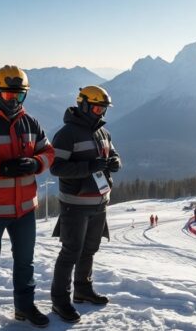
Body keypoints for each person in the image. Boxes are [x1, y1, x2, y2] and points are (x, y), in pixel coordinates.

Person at [0, 66, 55, 330]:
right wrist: (0, 169)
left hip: (25, 210)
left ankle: (24, 307)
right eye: (8, 96)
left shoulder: (31, 123)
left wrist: (36, 163)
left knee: (25, 262)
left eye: (19, 96)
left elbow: (49, 152)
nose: (14, 101)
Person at [49, 86, 121, 323]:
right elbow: (56, 167)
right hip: (75, 204)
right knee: (70, 251)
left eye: (103, 109)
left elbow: (113, 154)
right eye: (97, 108)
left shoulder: (103, 132)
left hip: (99, 202)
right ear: (84, 105)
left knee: (90, 249)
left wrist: (114, 162)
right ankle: (60, 300)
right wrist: (90, 167)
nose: (100, 113)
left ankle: (82, 289)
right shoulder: (67, 133)